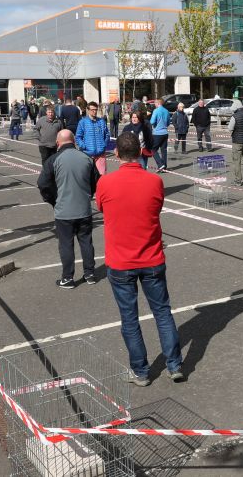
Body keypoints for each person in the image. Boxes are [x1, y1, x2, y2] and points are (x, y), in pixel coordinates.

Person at [95, 131, 184, 385]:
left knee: (130, 318)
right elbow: (156, 208)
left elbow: (102, 207)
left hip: (121, 261)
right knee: (162, 312)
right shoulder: (154, 181)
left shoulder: (105, 183)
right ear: (139, 152)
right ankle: (174, 364)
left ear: (116, 154)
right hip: (152, 258)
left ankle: (141, 371)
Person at [38, 130, 99, 288]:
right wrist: (88, 194)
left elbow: (43, 183)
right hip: (84, 208)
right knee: (86, 241)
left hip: (64, 210)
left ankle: (68, 277)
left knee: (66, 244)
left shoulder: (53, 159)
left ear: (58, 143)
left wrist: (53, 200)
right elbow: (96, 181)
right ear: (73, 141)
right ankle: (90, 273)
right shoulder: (86, 158)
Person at [75, 101, 111, 175]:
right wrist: (84, 146)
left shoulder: (102, 121)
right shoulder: (82, 122)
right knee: (88, 177)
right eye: (92, 110)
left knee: (102, 177)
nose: (94, 111)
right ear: (88, 110)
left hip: (100, 154)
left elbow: (107, 135)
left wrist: (104, 145)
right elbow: (78, 137)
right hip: (87, 155)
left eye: (96, 109)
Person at [148, 98, 170, 171]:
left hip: (157, 132)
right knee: (164, 150)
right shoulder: (166, 111)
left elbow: (152, 121)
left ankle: (160, 164)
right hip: (165, 132)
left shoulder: (156, 111)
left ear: (158, 103)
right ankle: (164, 166)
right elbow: (168, 122)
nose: (154, 104)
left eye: (155, 103)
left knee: (153, 149)